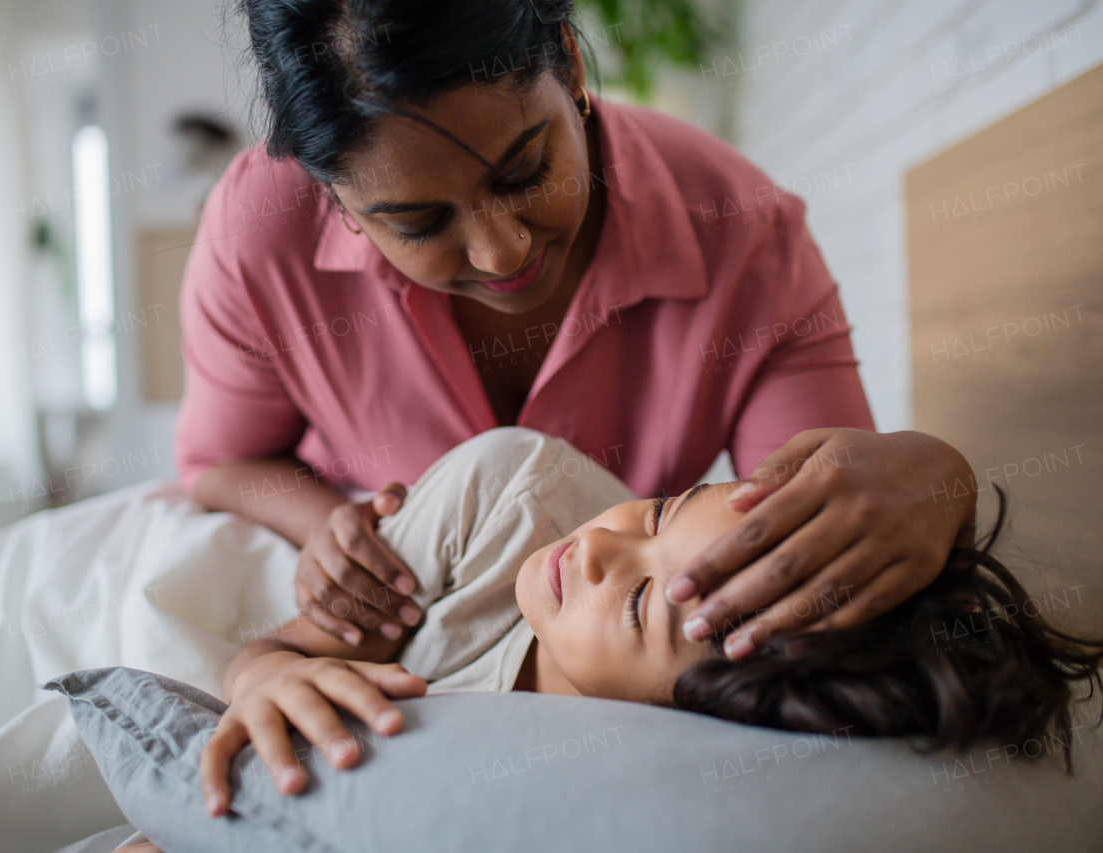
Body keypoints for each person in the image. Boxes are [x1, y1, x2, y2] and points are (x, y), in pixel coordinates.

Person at [172, 0, 978, 662]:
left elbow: (812, 556)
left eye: (524, 171)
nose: (502, 251)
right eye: (418, 222)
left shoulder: (746, 239)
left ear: (572, 63)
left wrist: (941, 475)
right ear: (335, 202)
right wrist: (333, 536)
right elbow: (220, 461)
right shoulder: (258, 238)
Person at [189, 428, 1102, 821]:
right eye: (665, 510)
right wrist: (265, 679)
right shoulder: (510, 495)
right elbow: (280, 649)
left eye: (635, 602)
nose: (599, 548)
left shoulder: (615, 778)